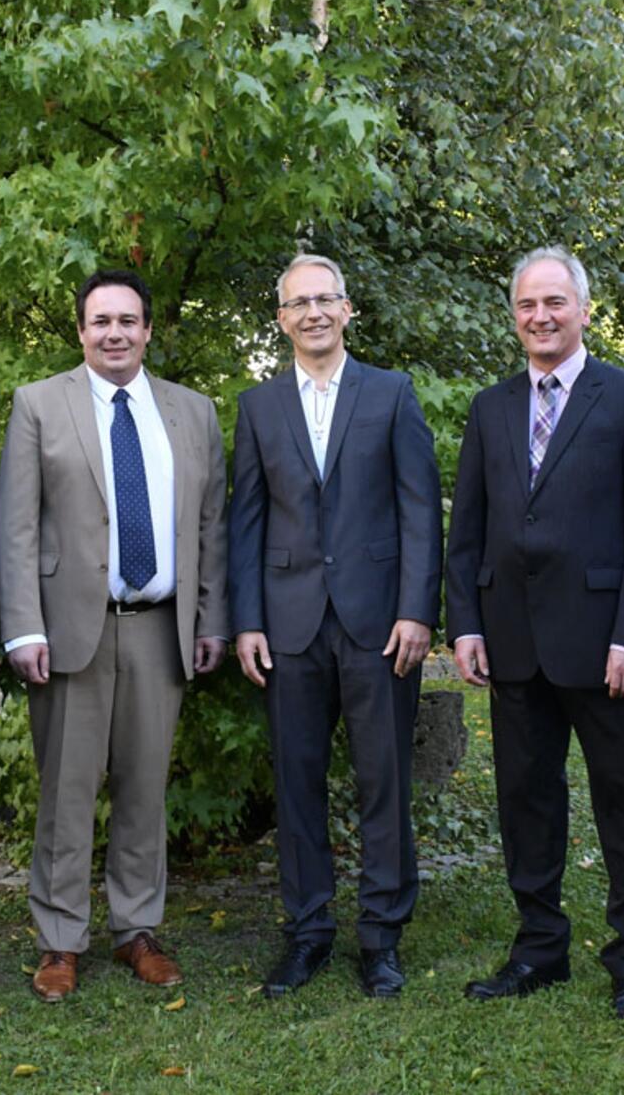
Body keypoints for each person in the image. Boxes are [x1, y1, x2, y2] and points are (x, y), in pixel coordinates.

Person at [445, 245, 624, 1025]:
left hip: (606, 644)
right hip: (513, 641)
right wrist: (468, 623)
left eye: (554, 302)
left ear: (582, 308)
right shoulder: (490, 406)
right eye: (526, 306)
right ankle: (539, 946)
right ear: (512, 316)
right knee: (526, 801)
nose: (540, 317)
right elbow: (469, 531)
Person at [0, 269, 227, 1002]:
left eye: (128, 320)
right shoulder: (39, 405)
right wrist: (22, 628)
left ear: (149, 330)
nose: (115, 332)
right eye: (101, 321)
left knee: (144, 789)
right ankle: (60, 940)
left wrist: (210, 619)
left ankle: (136, 931)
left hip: (161, 630)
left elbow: (210, 529)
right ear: (81, 331)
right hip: (70, 631)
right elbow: (17, 529)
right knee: (66, 793)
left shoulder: (193, 413)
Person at [228, 253, 441, 999]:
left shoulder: (391, 394)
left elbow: (421, 508)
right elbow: (245, 520)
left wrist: (418, 609)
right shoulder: (258, 408)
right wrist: (245, 620)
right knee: (297, 782)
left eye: (326, 299)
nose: (313, 312)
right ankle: (308, 931)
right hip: (287, 625)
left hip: (379, 622)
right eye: (298, 303)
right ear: (282, 319)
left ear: (348, 310)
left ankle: (381, 936)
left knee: (384, 781)